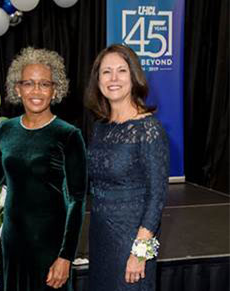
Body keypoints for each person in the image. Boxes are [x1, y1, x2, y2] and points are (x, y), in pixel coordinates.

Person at [0, 47, 87, 291]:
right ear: (17, 88)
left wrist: (66, 256)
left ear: (55, 90)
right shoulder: (5, 130)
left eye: (44, 84)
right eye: (29, 83)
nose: (36, 91)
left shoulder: (68, 135)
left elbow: (77, 200)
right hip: (12, 244)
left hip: (50, 247)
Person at [85, 44, 169, 291]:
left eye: (121, 71)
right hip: (101, 240)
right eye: (106, 72)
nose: (113, 78)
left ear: (134, 77)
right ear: (97, 80)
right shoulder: (101, 127)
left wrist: (140, 253)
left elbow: (157, 198)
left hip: (131, 245)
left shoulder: (149, 129)